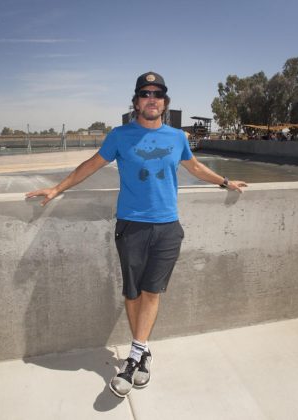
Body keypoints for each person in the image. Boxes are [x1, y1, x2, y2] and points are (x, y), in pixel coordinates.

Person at [25, 71, 247, 398]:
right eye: (145, 94)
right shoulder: (120, 136)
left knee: (152, 292)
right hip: (131, 226)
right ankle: (142, 353)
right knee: (132, 293)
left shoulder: (178, 138)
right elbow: (90, 164)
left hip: (168, 227)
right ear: (136, 102)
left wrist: (226, 182)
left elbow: (195, 168)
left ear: (165, 103)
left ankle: (133, 358)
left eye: (157, 94)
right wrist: (58, 187)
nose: (152, 99)